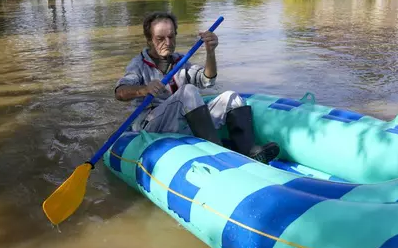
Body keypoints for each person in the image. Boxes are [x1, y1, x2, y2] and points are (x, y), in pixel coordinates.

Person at [114, 11, 279, 164]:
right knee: (188, 91)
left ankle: (249, 152)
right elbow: (120, 92)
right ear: (149, 40)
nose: (168, 43)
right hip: (152, 125)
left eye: (171, 37)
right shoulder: (138, 65)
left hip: (181, 121)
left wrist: (210, 52)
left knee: (231, 97)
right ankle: (218, 154)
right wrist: (143, 89)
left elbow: (207, 80)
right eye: (160, 39)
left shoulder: (180, 61)